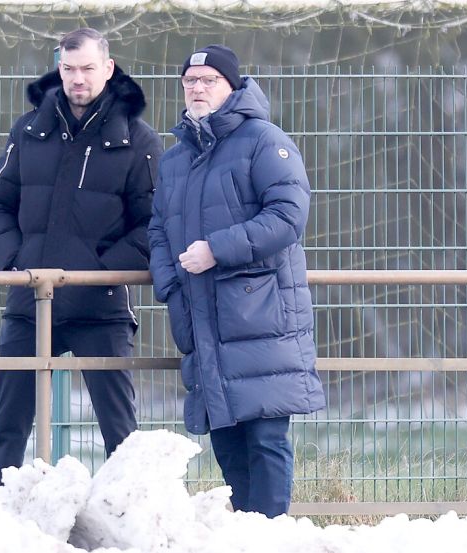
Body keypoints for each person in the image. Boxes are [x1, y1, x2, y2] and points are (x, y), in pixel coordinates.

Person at [147, 44, 325, 517]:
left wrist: (215, 250)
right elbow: (158, 228)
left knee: (265, 437)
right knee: (226, 441)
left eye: (208, 80)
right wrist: (170, 284)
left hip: (260, 315)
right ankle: (244, 535)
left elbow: (288, 216)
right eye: (190, 81)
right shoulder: (175, 158)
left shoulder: (265, 140)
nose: (197, 88)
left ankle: (269, 537)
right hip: (201, 318)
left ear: (232, 86)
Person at [0, 28, 162, 486]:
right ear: (59, 67)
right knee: (7, 429)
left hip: (101, 306)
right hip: (30, 302)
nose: (77, 79)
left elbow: (154, 223)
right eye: (68, 68)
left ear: (108, 68)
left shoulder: (138, 141)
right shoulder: (28, 130)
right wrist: (17, 264)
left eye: (87, 69)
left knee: (121, 434)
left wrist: (99, 274)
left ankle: (131, 517)